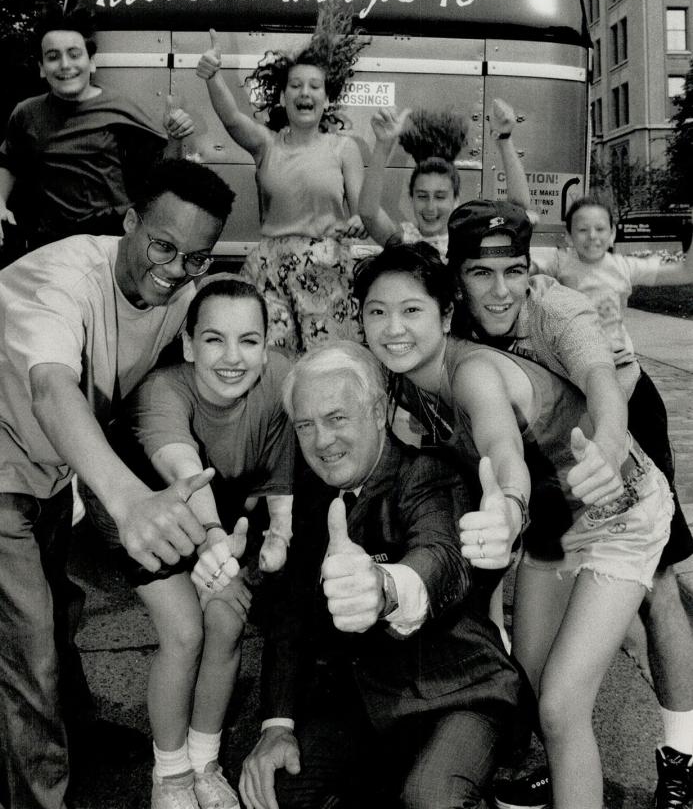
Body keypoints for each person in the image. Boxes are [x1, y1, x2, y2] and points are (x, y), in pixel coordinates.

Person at [353, 240, 673, 809]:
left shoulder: (472, 371)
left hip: (619, 512)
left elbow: (504, 454)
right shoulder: (402, 379)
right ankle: (554, 774)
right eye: (377, 311)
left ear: (445, 315)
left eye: (411, 310)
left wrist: (507, 506)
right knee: (520, 684)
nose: (392, 327)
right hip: (555, 522)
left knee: (560, 705)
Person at [0, 157, 234, 809]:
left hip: (46, 469)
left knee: (53, 625)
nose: (176, 267)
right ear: (129, 222)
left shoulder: (182, 294)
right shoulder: (63, 276)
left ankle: (62, 740)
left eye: (195, 256)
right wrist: (125, 498)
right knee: (27, 657)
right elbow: (50, 384)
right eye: (163, 244)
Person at [444, 199, 689, 809]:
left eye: (515, 271)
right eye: (481, 272)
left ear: (531, 269)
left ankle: (684, 755)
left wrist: (606, 450)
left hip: (624, 434)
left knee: (658, 596)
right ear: (458, 277)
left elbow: (604, 385)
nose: (501, 291)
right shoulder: (451, 322)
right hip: (549, 472)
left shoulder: (557, 308)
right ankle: (558, 762)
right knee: (533, 676)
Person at [239, 342, 522, 809]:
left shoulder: (427, 475)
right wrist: (277, 727)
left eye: (336, 419)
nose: (321, 441)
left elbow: (440, 557)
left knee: (432, 796)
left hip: (457, 693)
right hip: (361, 701)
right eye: (305, 425)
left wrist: (386, 588)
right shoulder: (314, 492)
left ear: (375, 412)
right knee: (275, 791)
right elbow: (289, 619)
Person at [528, 194, 693, 807]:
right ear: (567, 235)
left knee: (663, 589)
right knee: (572, 592)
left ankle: (682, 755)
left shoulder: (622, 268)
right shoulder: (545, 273)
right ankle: (568, 749)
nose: (593, 236)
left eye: (603, 228)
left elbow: (679, 267)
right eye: (582, 227)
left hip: (629, 412)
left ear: (614, 233)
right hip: (580, 425)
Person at [126, 275, 295, 809]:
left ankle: (204, 762)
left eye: (248, 341)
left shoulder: (282, 380)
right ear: (188, 344)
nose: (232, 357)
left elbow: (282, 482)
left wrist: (280, 536)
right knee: (184, 631)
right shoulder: (162, 390)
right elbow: (182, 467)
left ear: (266, 347)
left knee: (226, 620)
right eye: (214, 339)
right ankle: (169, 775)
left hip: (222, 521)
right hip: (147, 514)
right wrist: (214, 538)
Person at [196, 0, 369, 356]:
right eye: (295, 85)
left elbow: (363, 212)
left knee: (329, 362)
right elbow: (231, 118)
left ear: (327, 97)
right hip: (268, 270)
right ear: (283, 94)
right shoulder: (265, 144)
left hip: (327, 268)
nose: (305, 92)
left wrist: (355, 222)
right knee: (273, 362)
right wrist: (213, 77)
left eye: (314, 86)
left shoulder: (344, 148)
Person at [0, 6, 195, 256]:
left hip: (110, 236)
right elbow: (9, 161)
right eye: (52, 56)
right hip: (52, 242)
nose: (65, 65)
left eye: (74, 54)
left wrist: (175, 137)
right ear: (41, 67)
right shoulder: (26, 113)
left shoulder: (122, 109)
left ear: (91, 62)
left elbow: (163, 173)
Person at [358, 98, 529, 259]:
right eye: (422, 196)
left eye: (440, 196)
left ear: (456, 200)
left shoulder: (471, 239)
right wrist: (383, 144)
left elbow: (518, 209)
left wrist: (504, 139)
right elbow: (369, 214)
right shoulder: (404, 241)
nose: (430, 207)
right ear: (411, 198)